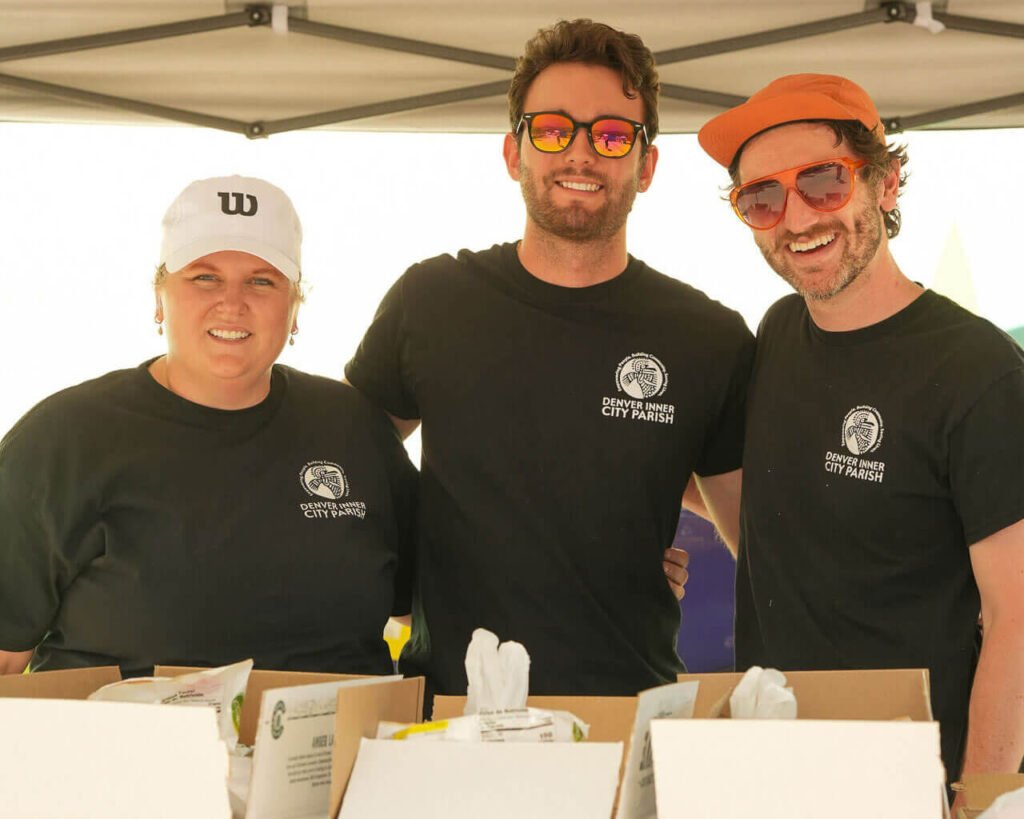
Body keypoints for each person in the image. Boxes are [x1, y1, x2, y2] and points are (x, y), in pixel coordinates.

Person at [346, 19, 754, 698]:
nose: (582, 154)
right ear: (514, 152)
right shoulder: (431, 301)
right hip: (447, 719)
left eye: (613, 134)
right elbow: (345, 476)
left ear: (646, 165)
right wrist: (405, 573)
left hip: (627, 723)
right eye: (554, 129)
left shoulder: (706, 338)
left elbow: (768, 549)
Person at [698, 74, 1024, 794]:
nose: (796, 216)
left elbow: (1017, 618)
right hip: (769, 764)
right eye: (762, 197)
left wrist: (981, 798)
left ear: (886, 183)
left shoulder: (979, 371)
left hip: (910, 778)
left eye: (822, 181)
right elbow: (776, 502)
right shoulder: (779, 334)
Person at [0, 175, 415, 677]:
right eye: (204, 277)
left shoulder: (353, 428)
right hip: (122, 750)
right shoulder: (64, 438)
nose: (232, 303)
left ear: (295, 305)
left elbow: (421, 602)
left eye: (262, 280)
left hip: (332, 751)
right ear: (160, 297)